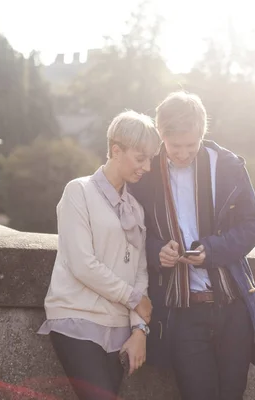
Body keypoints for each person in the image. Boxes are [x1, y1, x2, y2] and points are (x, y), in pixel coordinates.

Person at [130, 91, 255, 400]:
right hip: (181, 312)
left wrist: (212, 251)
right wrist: (156, 252)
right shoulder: (145, 172)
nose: (182, 153)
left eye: (191, 145)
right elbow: (131, 233)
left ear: (203, 134)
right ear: (160, 134)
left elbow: (253, 225)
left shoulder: (228, 166)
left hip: (233, 306)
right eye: (175, 146)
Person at [38, 110, 161, 400]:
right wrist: (134, 299)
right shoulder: (78, 191)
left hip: (119, 329)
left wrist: (139, 329)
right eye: (140, 157)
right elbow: (82, 263)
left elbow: (140, 271)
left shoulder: (136, 208)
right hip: (77, 319)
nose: (147, 167)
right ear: (115, 150)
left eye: (151, 159)